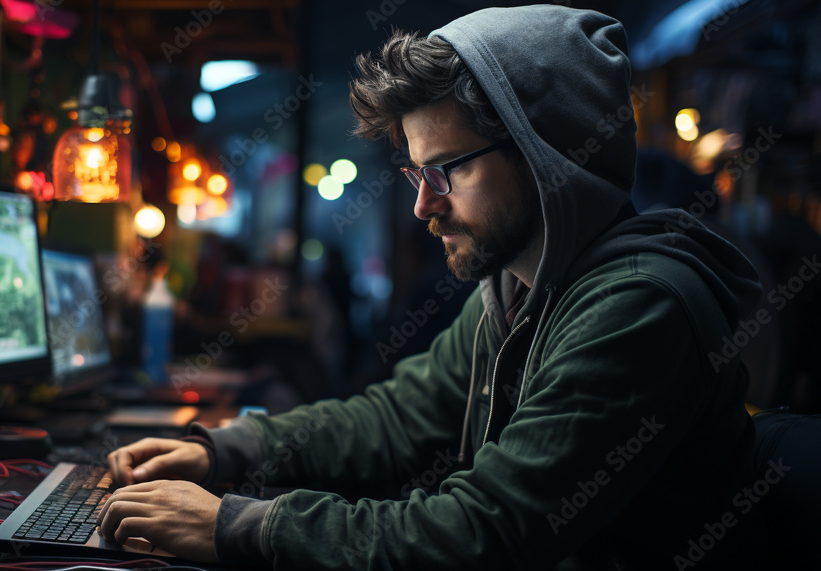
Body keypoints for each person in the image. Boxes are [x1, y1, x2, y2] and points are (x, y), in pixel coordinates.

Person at [96, 5, 771, 569]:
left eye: (446, 170)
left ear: (546, 159)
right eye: (418, 175)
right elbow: (394, 417)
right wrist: (224, 447)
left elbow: (481, 533)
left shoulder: (638, 305)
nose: (424, 207)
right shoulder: (517, 288)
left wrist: (238, 525)